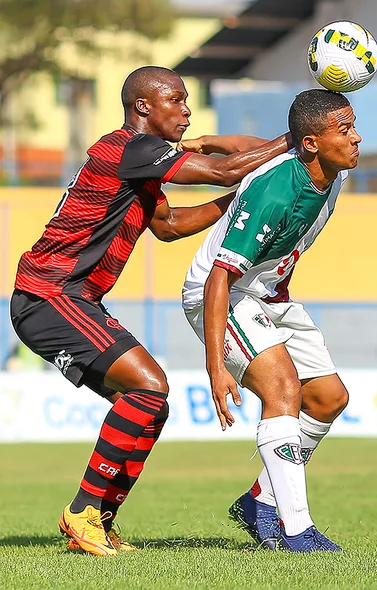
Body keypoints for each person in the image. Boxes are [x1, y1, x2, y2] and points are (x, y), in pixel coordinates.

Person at [9, 65, 293, 556]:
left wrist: (235, 201)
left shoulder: (138, 162)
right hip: (50, 295)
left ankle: (96, 521)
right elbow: (224, 168)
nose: (186, 112)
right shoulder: (132, 148)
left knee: (151, 405)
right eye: (176, 101)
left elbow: (169, 225)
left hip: (70, 299)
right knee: (150, 386)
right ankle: (81, 511)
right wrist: (294, 139)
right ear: (143, 107)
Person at [181, 89, 361, 552]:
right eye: (345, 130)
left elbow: (253, 146)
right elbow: (220, 276)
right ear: (313, 144)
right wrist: (214, 366)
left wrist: (210, 140)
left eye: (354, 126)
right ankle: (298, 532)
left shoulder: (326, 165)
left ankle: (259, 499)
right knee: (282, 389)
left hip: (270, 295)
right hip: (221, 293)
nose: (357, 138)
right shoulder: (275, 192)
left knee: (327, 399)